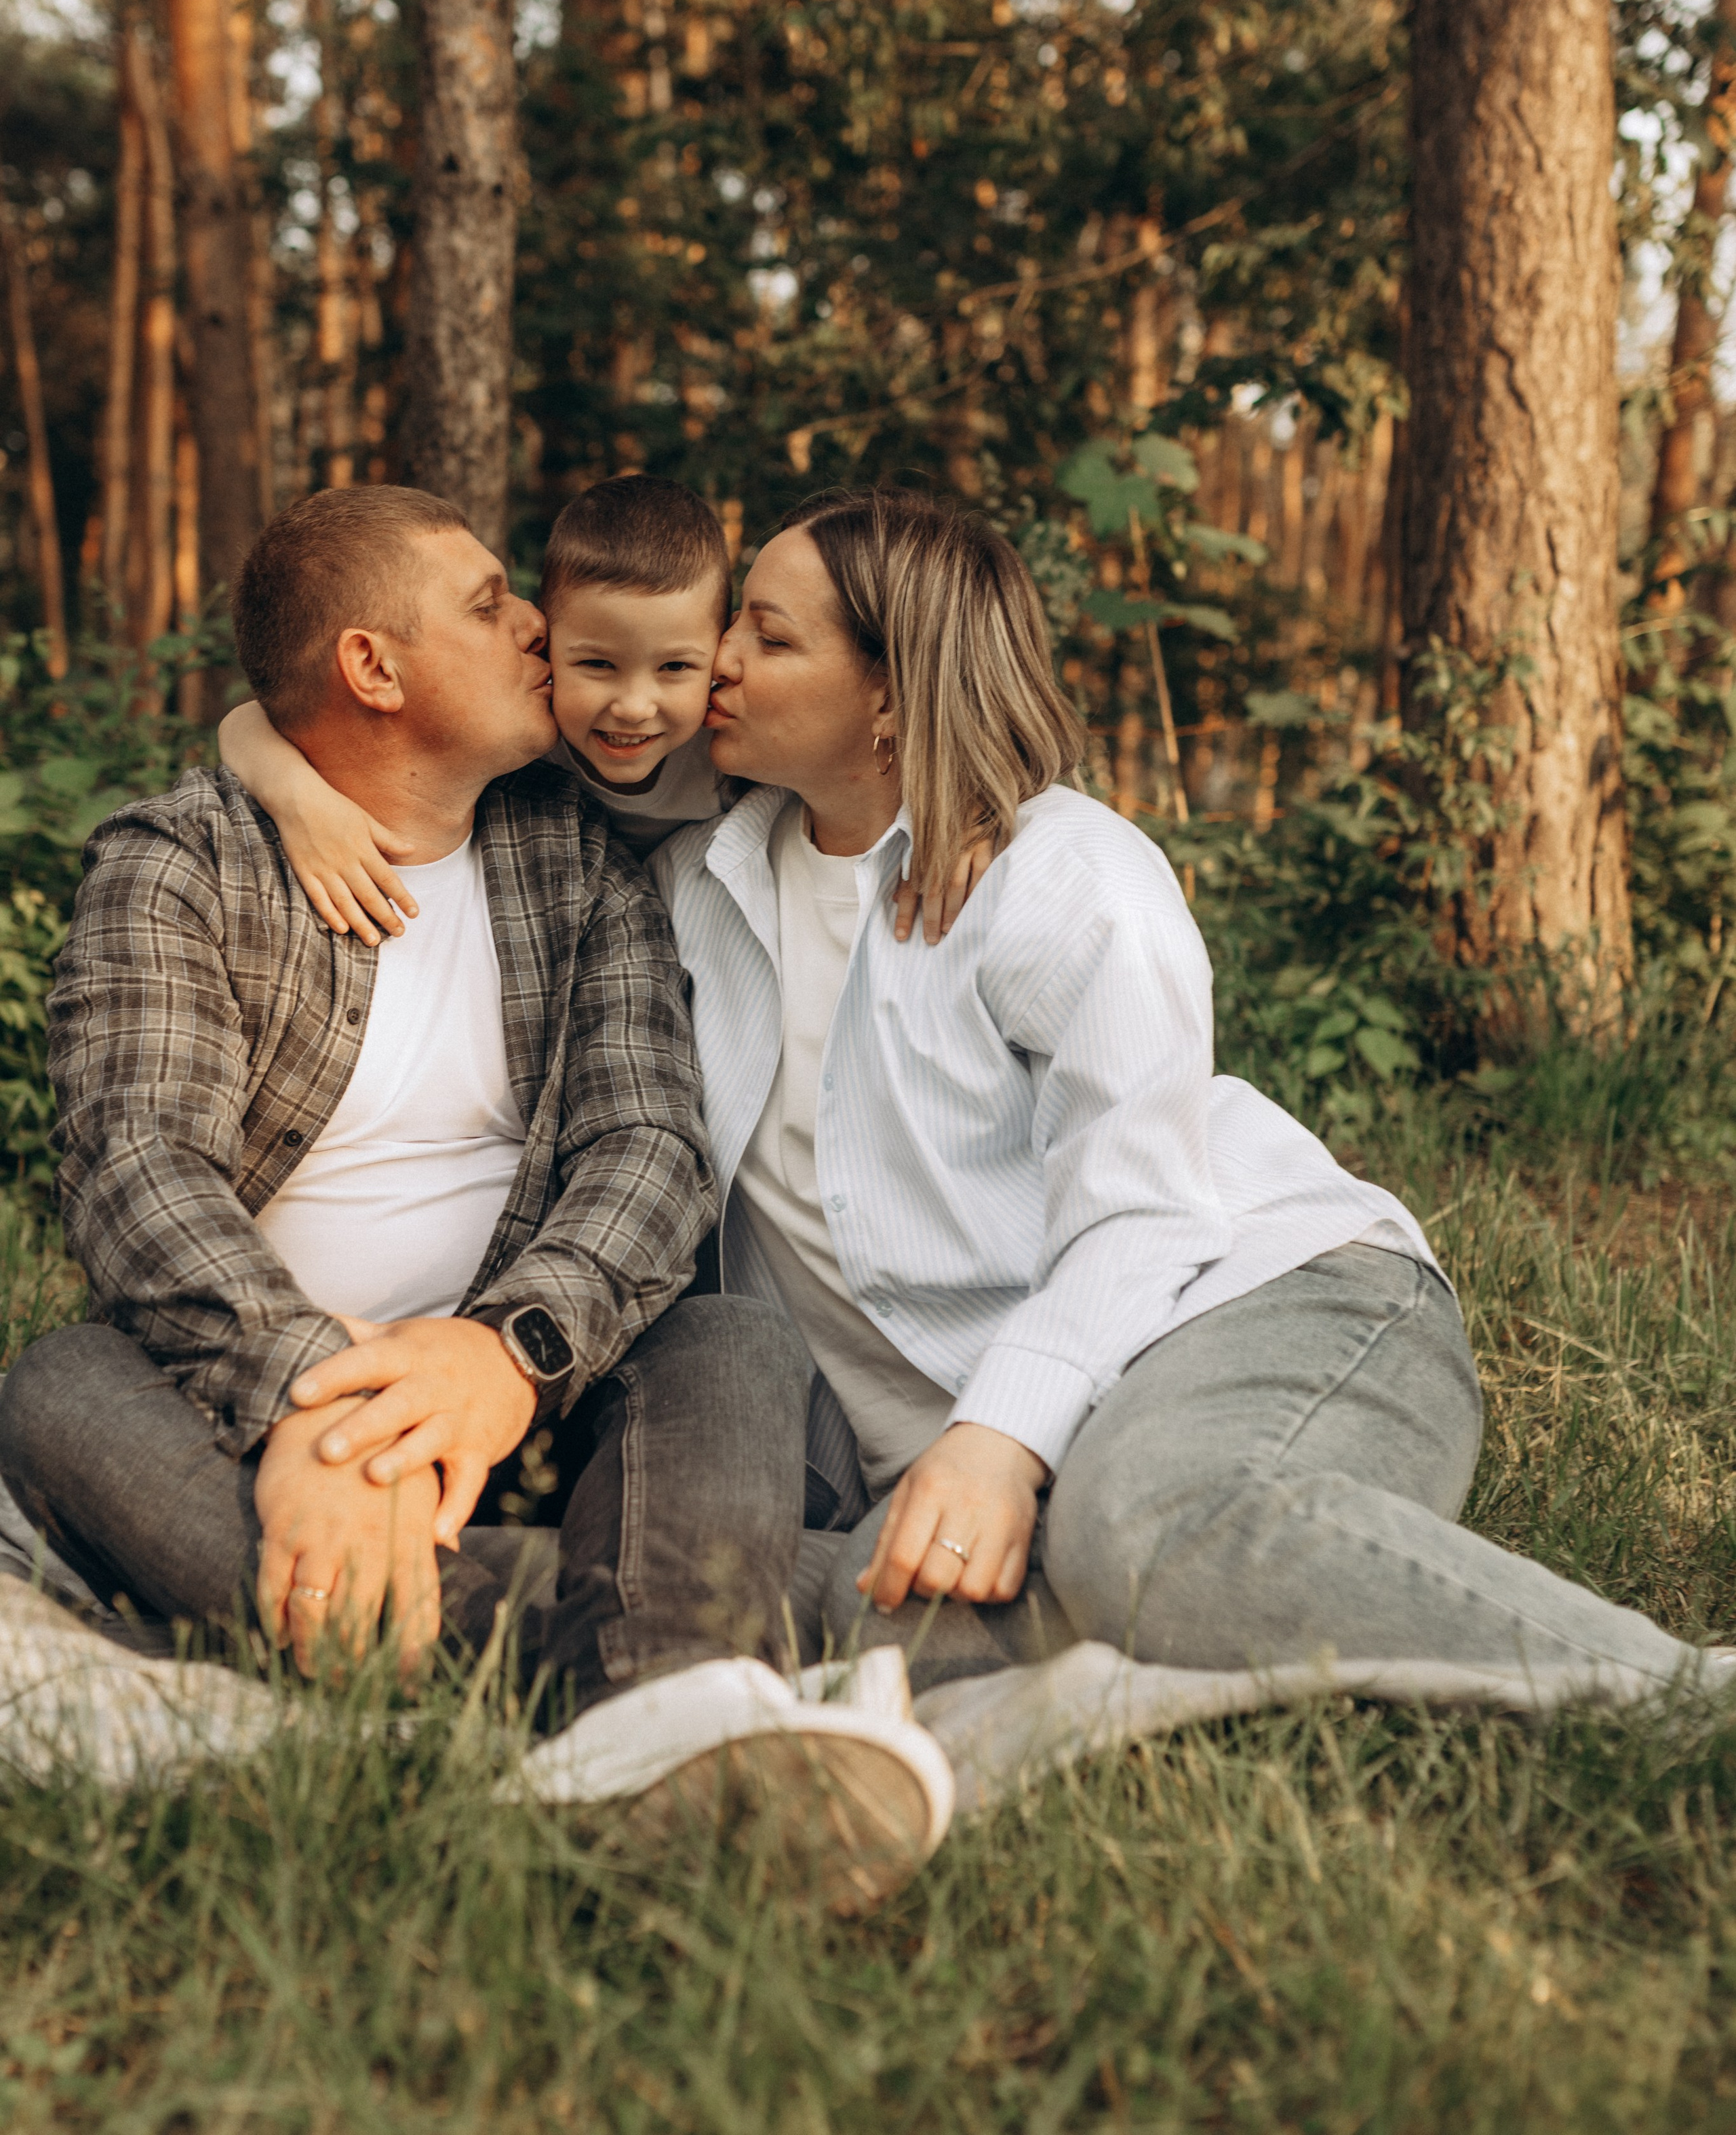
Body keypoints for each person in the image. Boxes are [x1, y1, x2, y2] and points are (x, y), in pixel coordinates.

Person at [0, 485, 953, 1894]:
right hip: (257, 1413)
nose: (533, 628)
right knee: (61, 1390)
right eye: (489, 603)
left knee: (730, 1337)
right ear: (372, 670)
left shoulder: (573, 853)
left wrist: (504, 1353)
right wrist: (317, 1413)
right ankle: (664, 1680)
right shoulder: (182, 863)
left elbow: (651, 1148)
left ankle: (587, 1691)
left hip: (546, 1400)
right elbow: (139, 1167)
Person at [646, 486, 1728, 1700]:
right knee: (792, 1609)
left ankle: (1680, 1698)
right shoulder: (700, 882)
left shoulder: (1065, 881)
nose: (716, 659)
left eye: (769, 637)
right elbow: (558, 725)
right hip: (1012, 1437)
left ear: (892, 695)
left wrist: (1002, 1438)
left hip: (1262, 1298)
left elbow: (1144, 1211)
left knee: (1139, 1533)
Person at [218, 473, 983, 946]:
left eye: (677, 668)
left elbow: (888, 729)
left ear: (715, 653)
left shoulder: (727, 739)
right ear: (545, 642)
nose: (635, 706)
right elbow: (256, 715)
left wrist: (970, 808)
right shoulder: (528, 727)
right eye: (594, 665)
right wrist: (299, 799)